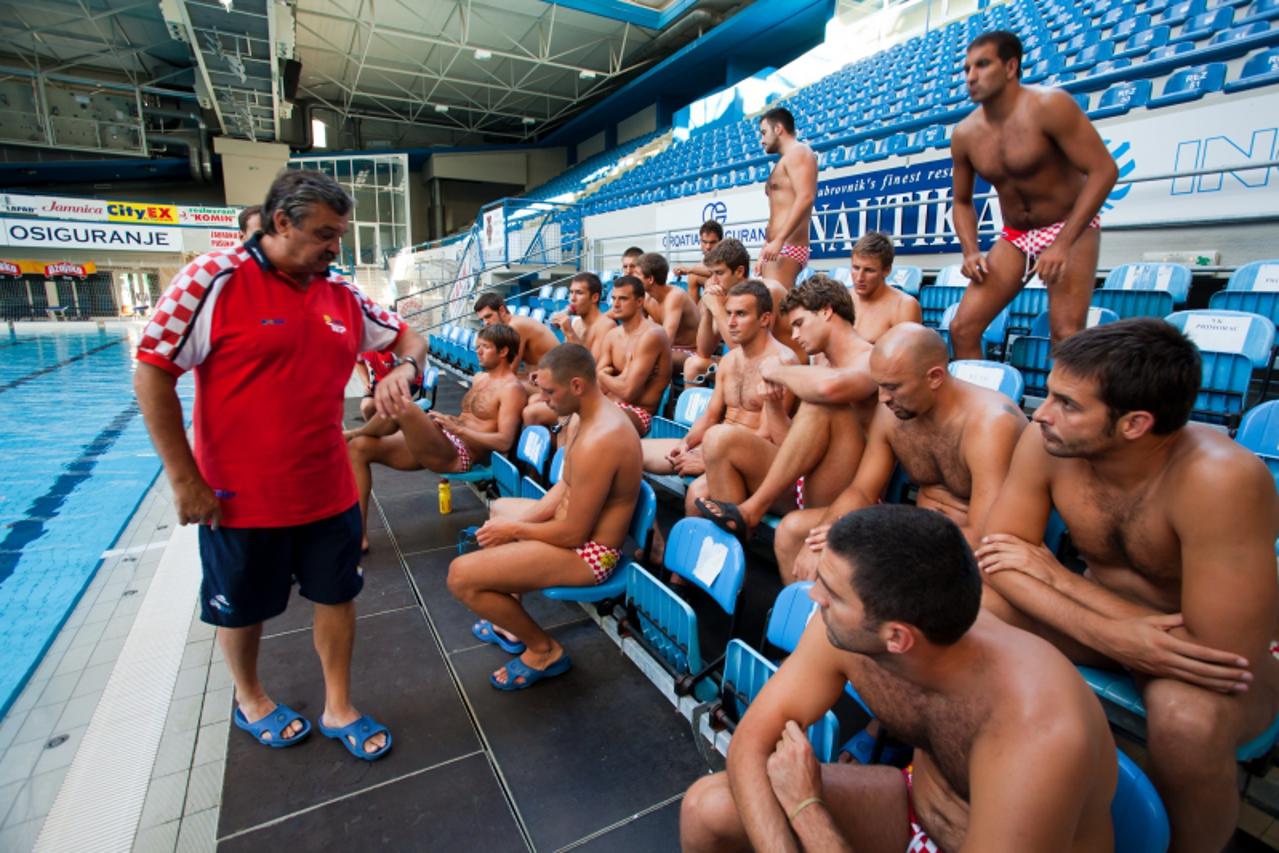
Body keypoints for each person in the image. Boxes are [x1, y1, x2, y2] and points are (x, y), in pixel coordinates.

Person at [134, 169, 427, 760]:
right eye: (324, 233)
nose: (335, 247)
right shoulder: (211, 280)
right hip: (238, 499)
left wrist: (404, 369)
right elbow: (152, 371)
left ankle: (338, 703)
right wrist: (185, 479)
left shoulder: (341, 295)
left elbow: (407, 338)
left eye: (339, 234)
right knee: (241, 609)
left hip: (327, 491)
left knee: (336, 597)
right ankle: (251, 699)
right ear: (281, 222)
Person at [977, 318, 1279, 852]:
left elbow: (1220, 653)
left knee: (1187, 722)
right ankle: (993, 782)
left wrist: (1055, 578)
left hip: (1202, 658)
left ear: (1135, 423)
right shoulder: (1048, 441)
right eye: (1048, 393)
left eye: (1068, 404)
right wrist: (1115, 635)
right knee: (978, 606)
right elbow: (996, 557)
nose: (1041, 412)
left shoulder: (1220, 479)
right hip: (1132, 633)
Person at [680, 505, 1117, 853]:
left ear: (898, 637)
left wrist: (806, 809)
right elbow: (752, 743)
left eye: (831, 592)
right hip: (915, 810)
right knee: (707, 809)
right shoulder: (854, 629)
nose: (814, 595)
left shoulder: (1036, 730)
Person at [447, 343, 642, 690]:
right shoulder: (586, 417)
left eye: (550, 392)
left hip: (590, 555)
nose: (544, 399)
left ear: (578, 386)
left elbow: (573, 535)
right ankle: (510, 621)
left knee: (461, 577)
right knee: (500, 508)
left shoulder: (603, 438)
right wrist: (523, 521)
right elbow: (564, 486)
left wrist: (515, 531)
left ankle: (543, 649)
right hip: (572, 534)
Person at [779, 323, 1027, 584]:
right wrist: (827, 531)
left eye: (893, 387)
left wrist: (888, 536)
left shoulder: (990, 425)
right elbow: (862, 490)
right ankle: (806, 615)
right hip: (917, 527)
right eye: (879, 386)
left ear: (934, 377)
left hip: (974, 550)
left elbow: (982, 534)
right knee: (793, 532)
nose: (883, 398)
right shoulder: (892, 413)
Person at [949, 30, 1117, 359]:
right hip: (1015, 236)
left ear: (1011, 67)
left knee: (1067, 335)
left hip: (1068, 226)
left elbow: (1104, 170)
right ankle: (978, 408)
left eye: (982, 65)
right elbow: (961, 202)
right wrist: (970, 251)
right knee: (962, 328)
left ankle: (1065, 410)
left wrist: (1063, 243)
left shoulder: (1049, 106)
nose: (971, 77)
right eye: (967, 69)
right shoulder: (965, 133)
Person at [694, 275, 875, 541]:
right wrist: (774, 405)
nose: (794, 336)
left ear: (826, 311)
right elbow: (789, 442)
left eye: (800, 324)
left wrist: (778, 372)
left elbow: (830, 389)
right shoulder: (821, 363)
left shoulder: (871, 357)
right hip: (806, 483)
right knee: (718, 439)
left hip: (847, 496)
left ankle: (751, 510)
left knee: (821, 402)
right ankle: (730, 565)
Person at [345, 323, 526, 550]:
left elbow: (504, 441)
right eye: (478, 346)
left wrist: (458, 429)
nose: (477, 351)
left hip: (460, 455)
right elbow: (469, 418)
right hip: (445, 439)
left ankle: (352, 432)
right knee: (359, 448)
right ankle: (358, 537)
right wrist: (450, 422)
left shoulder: (512, 389)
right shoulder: (481, 378)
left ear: (503, 352)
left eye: (485, 347)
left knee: (403, 404)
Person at [642, 280, 797, 518]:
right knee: (630, 451)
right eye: (729, 313)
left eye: (741, 314)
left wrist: (707, 461)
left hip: (751, 459)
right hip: (715, 445)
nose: (731, 322)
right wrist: (687, 444)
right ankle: (654, 542)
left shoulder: (783, 362)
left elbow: (767, 435)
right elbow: (712, 415)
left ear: (765, 319)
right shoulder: (730, 359)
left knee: (697, 497)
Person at [684, 238, 799, 385]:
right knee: (694, 364)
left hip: (784, 371)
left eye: (719, 273)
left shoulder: (767, 292)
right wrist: (708, 309)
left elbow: (748, 352)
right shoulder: (729, 296)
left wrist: (717, 309)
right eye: (711, 274)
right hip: (755, 364)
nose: (713, 281)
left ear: (739, 271)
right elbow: (703, 351)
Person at [533, 272, 616, 428]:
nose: (572, 298)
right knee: (534, 399)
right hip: (570, 385)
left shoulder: (606, 324)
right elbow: (565, 361)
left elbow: (592, 367)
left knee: (531, 413)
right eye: (571, 292)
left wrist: (570, 333)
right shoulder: (577, 323)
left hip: (588, 391)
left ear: (595, 298)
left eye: (579, 293)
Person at [596, 275, 672, 437]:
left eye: (623, 299)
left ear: (639, 302)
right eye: (614, 298)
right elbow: (598, 385)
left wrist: (604, 375)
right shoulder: (612, 335)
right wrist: (619, 377)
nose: (615, 304)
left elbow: (629, 392)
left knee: (597, 420)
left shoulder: (652, 335)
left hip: (638, 412)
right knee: (570, 415)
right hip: (610, 404)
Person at [757, 107, 817, 291]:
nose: (762, 140)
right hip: (776, 247)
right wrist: (767, 247)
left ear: (778, 129)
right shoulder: (785, 160)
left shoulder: (799, 152)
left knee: (776, 312)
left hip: (787, 246)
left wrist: (779, 240)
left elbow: (806, 197)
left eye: (764, 132)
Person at [846, 231, 922, 343]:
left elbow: (906, 358)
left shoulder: (904, 306)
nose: (859, 278)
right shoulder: (844, 298)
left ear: (886, 270)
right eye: (856, 268)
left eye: (869, 270)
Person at [638, 252, 700, 376]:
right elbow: (636, 330)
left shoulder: (675, 296)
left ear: (650, 279)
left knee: (650, 359)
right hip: (669, 350)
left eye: (637, 275)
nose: (633, 279)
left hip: (690, 352)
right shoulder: (646, 298)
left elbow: (666, 340)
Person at [473, 292, 559, 381]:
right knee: (481, 378)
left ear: (502, 311)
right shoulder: (507, 328)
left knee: (491, 382)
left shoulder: (515, 326)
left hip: (555, 380)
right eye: (482, 320)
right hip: (537, 377)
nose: (485, 323)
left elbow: (510, 371)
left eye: (488, 316)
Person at [674, 220, 724, 304]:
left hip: (729, 296)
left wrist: (689, 270)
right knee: (693, 276)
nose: (708, 247)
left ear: (721, 242)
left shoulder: (726, 255)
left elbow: (714, 272)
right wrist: (680, 271)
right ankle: (694, 313)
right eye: (704, 242)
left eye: (713, 242)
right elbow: (702, 268)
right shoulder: (705, 260)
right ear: (700, 241)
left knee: (705, 280)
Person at [353, 349, 397, 423]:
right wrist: (367, 383)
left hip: (405, 379)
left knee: (386, 407)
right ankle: (374, 430)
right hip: (381, 379)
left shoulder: (392, 347)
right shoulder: (363, 346)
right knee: (366, 407)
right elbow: (359, 363)